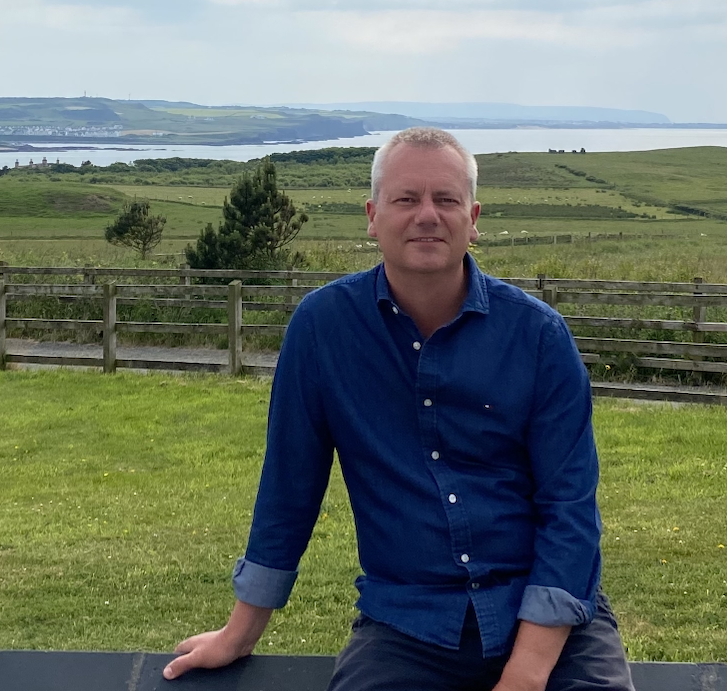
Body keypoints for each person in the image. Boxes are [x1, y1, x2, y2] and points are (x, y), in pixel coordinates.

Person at [163, 128, 635, 691]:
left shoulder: (537, 336)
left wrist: (527, 674)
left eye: (446, 199)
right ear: (372, 215)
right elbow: (289, 489)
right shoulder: (323, 330)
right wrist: (239, 633)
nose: (427, 215)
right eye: (406, 199)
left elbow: (570, 510)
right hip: (408, 622)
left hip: (548, 618)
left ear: (473, 216)